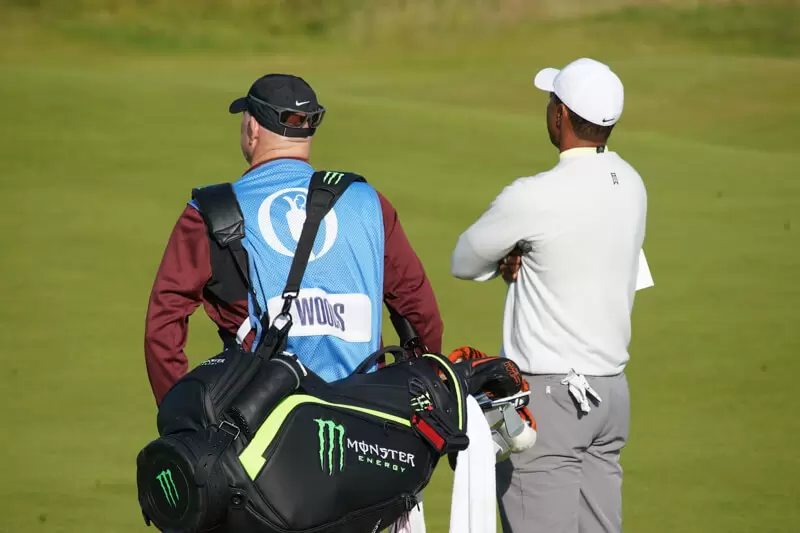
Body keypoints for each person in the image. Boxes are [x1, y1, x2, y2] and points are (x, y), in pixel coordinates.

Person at [145, 73, 443, 405]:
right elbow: (418, 309)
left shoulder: (210, 211)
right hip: (367, 415)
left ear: (252, 128)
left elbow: (164, 324)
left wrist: (179, 413)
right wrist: (423, 393)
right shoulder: (368, 201)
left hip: (265, 422)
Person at [450, 58, 654, 533]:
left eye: (551, 102)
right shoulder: (633, 184)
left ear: (560, 115)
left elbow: (464, 259)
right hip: (610, 397)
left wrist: (509, 257)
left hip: (549, 400)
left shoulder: (533, 195)